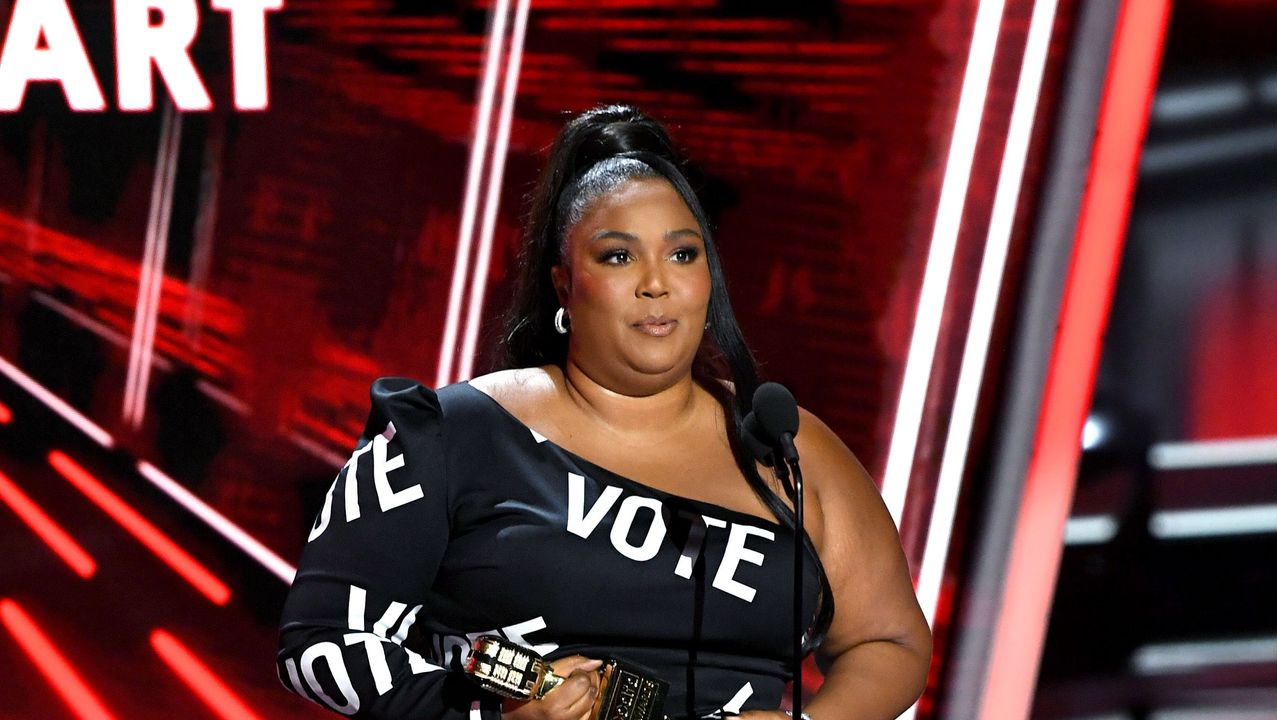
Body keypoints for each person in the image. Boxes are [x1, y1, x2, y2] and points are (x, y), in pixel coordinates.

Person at [277, 104, 931, 720]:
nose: (657, 281)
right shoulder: (449, 432)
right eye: (618, 256)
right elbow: (319, 642)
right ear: (564, 283)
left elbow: (890, 642)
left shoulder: (788, 447)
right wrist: (488, 713)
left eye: (683, 253)